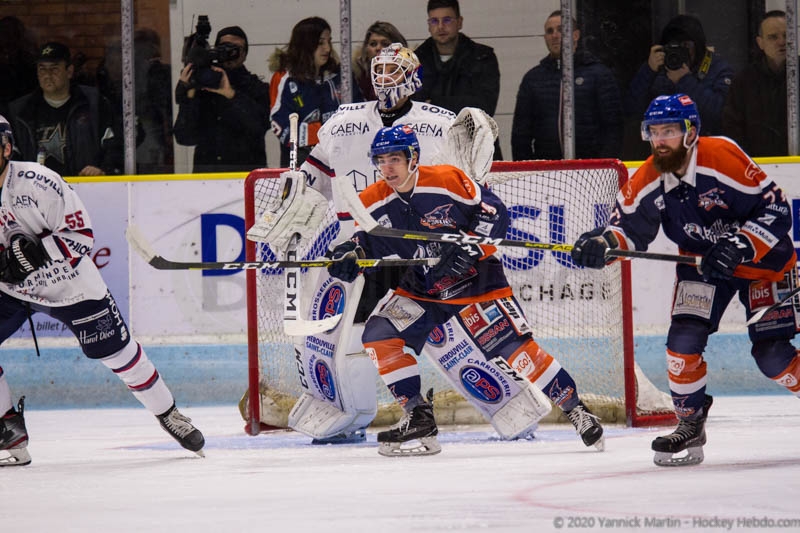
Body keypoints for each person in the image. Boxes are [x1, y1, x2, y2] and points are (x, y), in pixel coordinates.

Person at [251, 44, 539, 446]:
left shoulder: (440, 123)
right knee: (332, 331)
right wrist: (290, 210)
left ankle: (510, 403)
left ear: (413, 78)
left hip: (420, 249)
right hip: (360, 247)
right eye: (380, 70)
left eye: (395, 71)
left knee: (446, 334)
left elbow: (470, 193)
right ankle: (342, 412)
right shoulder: (342, 122)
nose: (385, 79)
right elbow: (313, 178)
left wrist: (464, 243)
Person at [325, 125, 604, 456]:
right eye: (381, 161)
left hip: (476, 281)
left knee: (516, 350)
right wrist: (351, 256)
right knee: (379, 334)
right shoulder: (372, 199)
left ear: (413, 158)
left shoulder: (446, 180)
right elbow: (366, 242)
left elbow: (494, 212)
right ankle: (417, 416)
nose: (387, 168)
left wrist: (469, 248)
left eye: (395, 159)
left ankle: (577, 410)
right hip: (424, 287)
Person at [571, 93, 798, 467]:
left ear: (691, 132)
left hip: (765, 265)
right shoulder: (649, 176)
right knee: (682, 344)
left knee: (773, 356)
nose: (660, 140)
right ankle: (690, 423)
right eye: (654, 132)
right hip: (702, 267)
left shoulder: (721, 157)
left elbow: (777, 209)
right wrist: (603, 244)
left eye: (670, 131)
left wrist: (741, 244)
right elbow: (628, 230)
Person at [0, 115, 204, 466]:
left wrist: (31, 257)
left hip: (71, 287)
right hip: (13, 290)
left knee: (121, 356)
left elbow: (80, 236)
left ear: (6, 148)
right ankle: (9, 433)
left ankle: (168, 413)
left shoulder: (37, 182)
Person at [511, 10, 623, 161]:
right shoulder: (533, 79)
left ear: (575, 35)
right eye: (550, 31)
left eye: (561, 30)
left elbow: (613, 128)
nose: (555, 35)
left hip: (591, 168)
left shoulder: (599, 74)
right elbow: (520, 135)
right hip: (546, 170)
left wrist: (603, 166)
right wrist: (528, 169)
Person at [8, 41, 122, 176]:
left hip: (85, 185)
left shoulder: (94, 103)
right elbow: (10, 154)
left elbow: (116, 143)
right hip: (36, 187)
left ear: (69, 71)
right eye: (42, 69)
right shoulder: (20, 111)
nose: (47, 75)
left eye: (54, 69)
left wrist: (103, 169)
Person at [413, 0, 502, 159]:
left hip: (477, 149)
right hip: (432, 150)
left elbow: (484, 108)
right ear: (428, 25)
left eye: (447, 20)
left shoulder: (483, 57)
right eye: (434, 21)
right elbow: (415, 110)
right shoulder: (416, 61)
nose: (440, 27)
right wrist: (460, 104)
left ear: (459, 22)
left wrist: (434, 103)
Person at [173, 25, 269, 173]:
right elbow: (184, 137)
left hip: (247, 175)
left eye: (237, 49)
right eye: (225, 47)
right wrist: (191, 91)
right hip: (207, 177)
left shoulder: (257, 88)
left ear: (244, 54)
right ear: (215, 50)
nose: (230, 52)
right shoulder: (203, 86)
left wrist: (231, 94)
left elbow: (259, 127)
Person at [270, 16, 361, 168]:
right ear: (305, 45)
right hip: (300, 164)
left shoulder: (342, 76)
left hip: (342, 162)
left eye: (329, 41)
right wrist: (329, 132)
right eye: (320, 43)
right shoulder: (284, 78)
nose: (328, 48)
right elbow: (281, 126)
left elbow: (360, 113)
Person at [626, 14, 733, 137]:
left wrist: (685, 81)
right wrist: (648, 70)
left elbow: (721, 116)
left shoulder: (718, 69)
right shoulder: (660, 69)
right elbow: (632, 111)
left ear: (697, 46)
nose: (679, 52)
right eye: (673, 46)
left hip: (704, 142)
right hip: (665, 141)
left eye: (686, 46)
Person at [97, 29, 174, 174]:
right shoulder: (120, 79)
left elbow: (164, 109)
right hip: (133, 139)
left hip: (151, 137)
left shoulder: (159, 73)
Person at [722, 10, 788, 156]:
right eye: (773, 37)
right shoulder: (743, 81)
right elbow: (732, 128)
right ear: (760, 43)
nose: (782, 42)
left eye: (786, 35)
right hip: (757, 163)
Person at [353, 21, 407, 102]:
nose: (378, 48)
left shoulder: (411, 76)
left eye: (385, 44)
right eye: (373, 44)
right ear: (366, 50)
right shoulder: (358, 77)